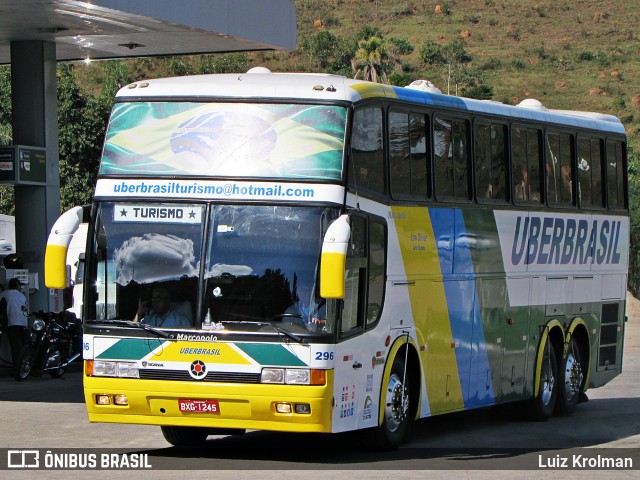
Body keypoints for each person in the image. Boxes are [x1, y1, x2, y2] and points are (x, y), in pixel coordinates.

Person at [1, 278, 28, 376]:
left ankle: (16, 368)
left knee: (15, 347)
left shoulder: (4, 294)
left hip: (12, 323)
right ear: (17, 286)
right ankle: (24, 366)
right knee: (24, 346)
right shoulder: (22, 295)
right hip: (23, 323)